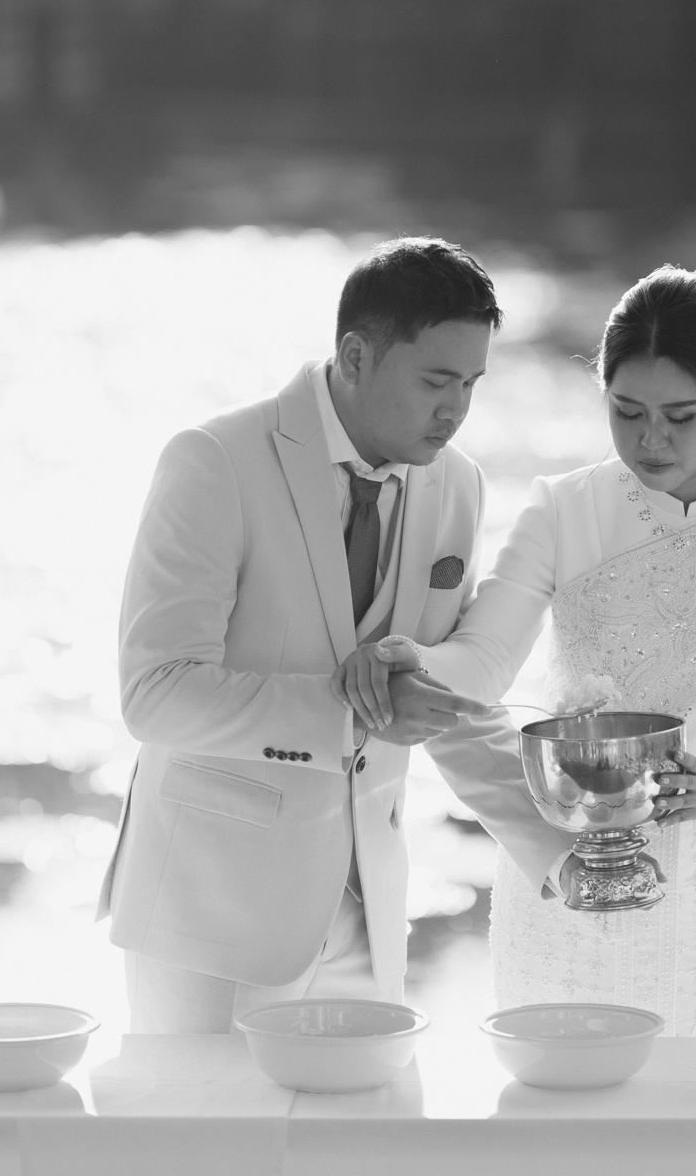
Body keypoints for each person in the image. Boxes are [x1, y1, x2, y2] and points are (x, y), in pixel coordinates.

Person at [357, 264, 696, 1036]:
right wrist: (414, 662)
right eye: (626, 412)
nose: (649, 440)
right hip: (573, 864)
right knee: (563, 1096)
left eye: (679, 416)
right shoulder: (564, 510)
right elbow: (483, 658)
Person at [97, 236, 572, 1033]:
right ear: (355, 356)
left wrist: (559, 846)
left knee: (369, 1118)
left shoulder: (456, 484)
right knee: (200, 1118)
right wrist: (350, 713)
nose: (455, 409)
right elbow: (156, 694)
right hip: (209, 920)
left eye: (471, 383)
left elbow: (437, 701)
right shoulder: (215, 461)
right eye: (435, 381)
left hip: (367, 917)